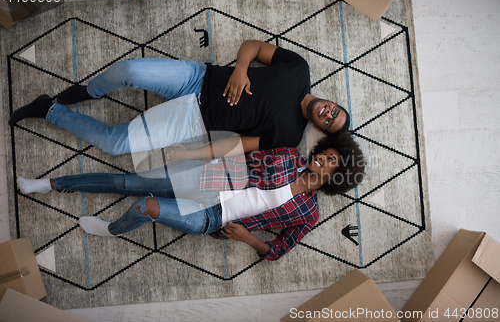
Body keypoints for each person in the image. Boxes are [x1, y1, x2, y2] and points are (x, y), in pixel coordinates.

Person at [17, 133, 365, 260]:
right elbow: (241, 156)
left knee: (144, 207)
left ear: (336, 177)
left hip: (214, 217)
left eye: (331, 161)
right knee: (124, 182)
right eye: (325, 152)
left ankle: (111, 229)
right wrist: (192, 156)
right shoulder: (289, 156)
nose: (321, 158)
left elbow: (278, 250)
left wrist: (247, 239)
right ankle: (48, 184)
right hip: (203, 180)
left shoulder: (308, 213)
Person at [9, 40, 351, 162]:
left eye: (328, 121)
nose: (327, 112)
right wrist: (241, 69)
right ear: (332, 101)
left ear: (320, 128)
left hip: (192, 123)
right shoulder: (299, 70)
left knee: (114, 144)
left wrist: (193, 152)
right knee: (129, 69)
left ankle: (47, 110)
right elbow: (254, 45)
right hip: (198, 78)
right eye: (334, 110)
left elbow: (236, 146)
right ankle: (91, 91)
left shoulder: (289, 136)